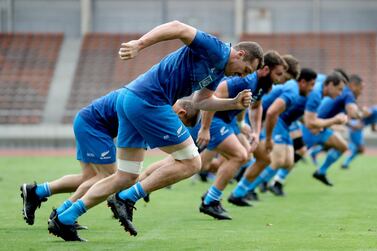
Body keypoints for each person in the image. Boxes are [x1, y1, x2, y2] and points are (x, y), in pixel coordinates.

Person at [48, 20, 264, 241]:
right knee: (192, 162)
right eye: (245, 70)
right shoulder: (217, 49)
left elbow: (201, 101)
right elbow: (178, 27)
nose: (241, 76)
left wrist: (234, 103)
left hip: (132, 98)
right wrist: (139, 44)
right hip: (149, 100)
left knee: (126, 175)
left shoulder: (219, 70)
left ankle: (65, 217)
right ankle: (127, 198)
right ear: (239, 54)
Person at [20, 89, 199, 228]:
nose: (177, 127)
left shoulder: (157, 101)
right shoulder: (157, 109)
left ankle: (37, 192)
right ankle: (61, 213)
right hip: (94, 126)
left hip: (87, 121)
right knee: (110, 178)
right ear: (181, 113)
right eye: (181, 124)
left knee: (89, 178)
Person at [191, 51, 286, 219]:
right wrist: (205, 128)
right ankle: (210, 201)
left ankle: (211, 195)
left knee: (245, 156)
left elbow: (256, 106)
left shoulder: (262, 85)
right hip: (214, 120)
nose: (280, 79)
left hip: (228, 122)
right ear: (265, 69)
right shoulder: (246, 80)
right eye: (278, 74)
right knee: (237, 156)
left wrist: (255, 131)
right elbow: (214, 95)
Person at [228, 68, 317, 201]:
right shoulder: (293, 90)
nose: (312, 89)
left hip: (272, 122)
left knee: (286, 161)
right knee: (271, 159)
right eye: (311, 85)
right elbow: (272, 112)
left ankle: (243, 189)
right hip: (255, 122)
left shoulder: (297, 91)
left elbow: (283, 113)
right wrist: (268, 138)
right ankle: (243, 189)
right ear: (302, 82)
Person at [303, 74, 363, 186]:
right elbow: (353, 113)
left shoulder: (337, 93)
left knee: (342, 146)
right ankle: (272, 180)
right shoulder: (348, 94)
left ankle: (321, 171)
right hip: (313, 127)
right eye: (361, 88)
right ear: (354, 86)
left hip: (322, 127)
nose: (361, 92)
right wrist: (361, 113)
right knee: (289, 158)